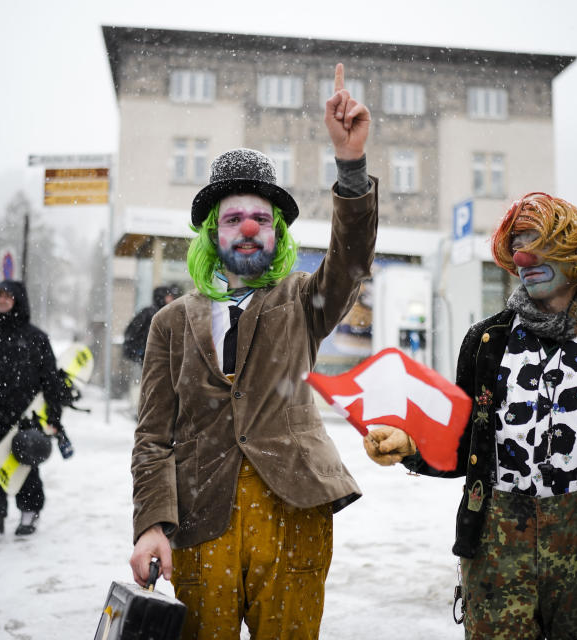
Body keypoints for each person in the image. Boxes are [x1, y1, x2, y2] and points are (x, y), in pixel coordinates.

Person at [129, 63, 375, 639]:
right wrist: (151, 523)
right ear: (212, 234)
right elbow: (153, 436)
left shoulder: (304, 301)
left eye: (261, 219)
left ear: (278, 235)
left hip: (294, 508)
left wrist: (352, 168)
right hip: (200, 516)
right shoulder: (170, 322)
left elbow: (352, 260)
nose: (247, 228)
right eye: (233, 218)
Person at [365, 192, 577, 640]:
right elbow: (461, 445)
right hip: (495, 558)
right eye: (516, 243)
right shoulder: (486, 341)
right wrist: (412, 446)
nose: (523, 254)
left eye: (539, 240)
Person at [0, 280, 65, 544]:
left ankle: (29, 513)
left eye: (8, 296)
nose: (3, 300)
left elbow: (51, 380)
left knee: (26, 465)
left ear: (18, 300)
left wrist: (54, 416)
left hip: (27, 416)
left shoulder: (36, 338)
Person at [122, 284, 178, 414]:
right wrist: (140, 353)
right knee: (151, 390)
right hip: (150, 361)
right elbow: (131, 334)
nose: (172, 299)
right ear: (161, 297)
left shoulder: (170, 313)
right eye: (169, 297)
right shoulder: (149, 313)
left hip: (164, 362)